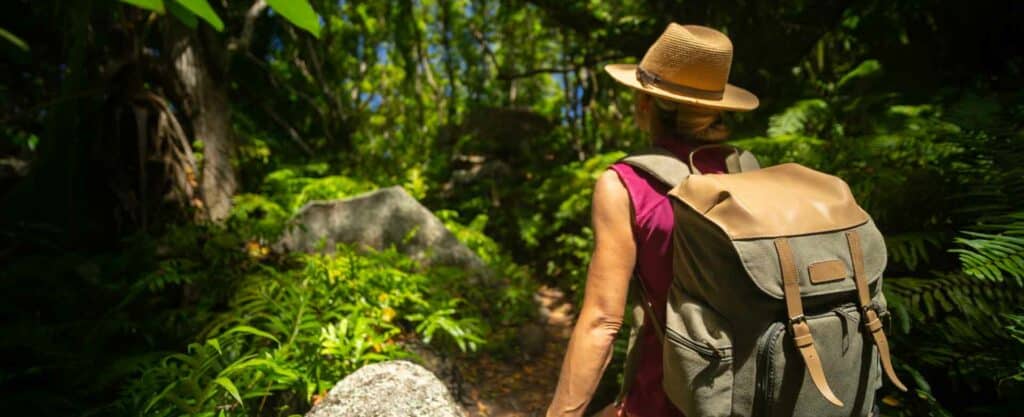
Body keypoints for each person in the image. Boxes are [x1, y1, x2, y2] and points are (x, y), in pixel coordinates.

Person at [544, 23, 759, 417]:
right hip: (752, 395)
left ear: (646, 104)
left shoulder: (627, 185)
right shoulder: (748, 171)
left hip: (665, 401)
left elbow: (601, 323)